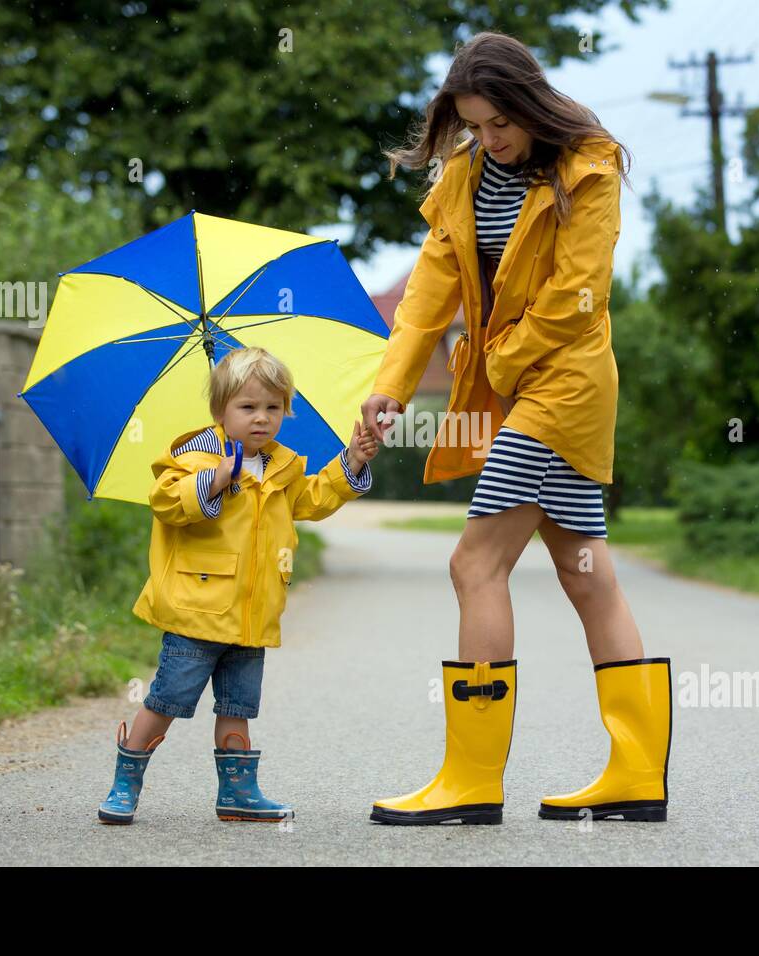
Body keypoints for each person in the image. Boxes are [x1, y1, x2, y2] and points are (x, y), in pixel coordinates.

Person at [361, 32, 671, 825]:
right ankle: (636, 773)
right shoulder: (463, 176)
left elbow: (579, 297)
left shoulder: (588, 167)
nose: (490, 139)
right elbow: (429, 293)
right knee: (583, 570)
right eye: (475, 125)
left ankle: (470, 780)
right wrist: (390, 389)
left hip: (563, 385)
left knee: (474, 564)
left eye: (501, 122)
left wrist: (498, 357)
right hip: (517, 386)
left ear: (530, 104)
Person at [99, 346, 378, 824]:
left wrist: (349, 461)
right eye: (247, 407)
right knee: (167, 699)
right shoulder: (192, 459)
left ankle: (238, 793)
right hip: (197, 612)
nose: (261, 419)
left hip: (252, 615)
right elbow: (165, 502)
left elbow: (311, 500)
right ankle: (126, 781)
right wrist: (213, 480)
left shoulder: (283, 466)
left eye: (273, 408)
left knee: (238, 706)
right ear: (220, 411)